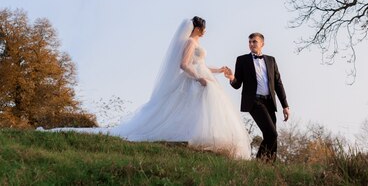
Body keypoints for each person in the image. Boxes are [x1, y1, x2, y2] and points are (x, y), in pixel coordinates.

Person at [50, 17, 251, 159]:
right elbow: (184, 64)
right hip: (194, 80)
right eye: (204, 28)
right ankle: (191, 137)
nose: (206, 31)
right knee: (189, 109)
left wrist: (217, 71)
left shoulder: (196, 42)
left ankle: (210, 141)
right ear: (198, 28)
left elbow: (202, 64)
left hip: (203, 77)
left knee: (202, 110)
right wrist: (198, 78)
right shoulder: (190, 41)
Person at [224, 32, 289, 162]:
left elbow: (278, 83)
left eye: (254, 41)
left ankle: (269, 166)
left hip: (269, 102)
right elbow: (237, 85)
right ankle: (259, 163)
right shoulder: (242, 60)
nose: (251, 44)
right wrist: (232, 78)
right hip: (254, 102)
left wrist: (285, 105)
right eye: (250, 42)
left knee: (271, 136)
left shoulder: (271, 60)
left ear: (262, 44)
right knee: (272, 133)